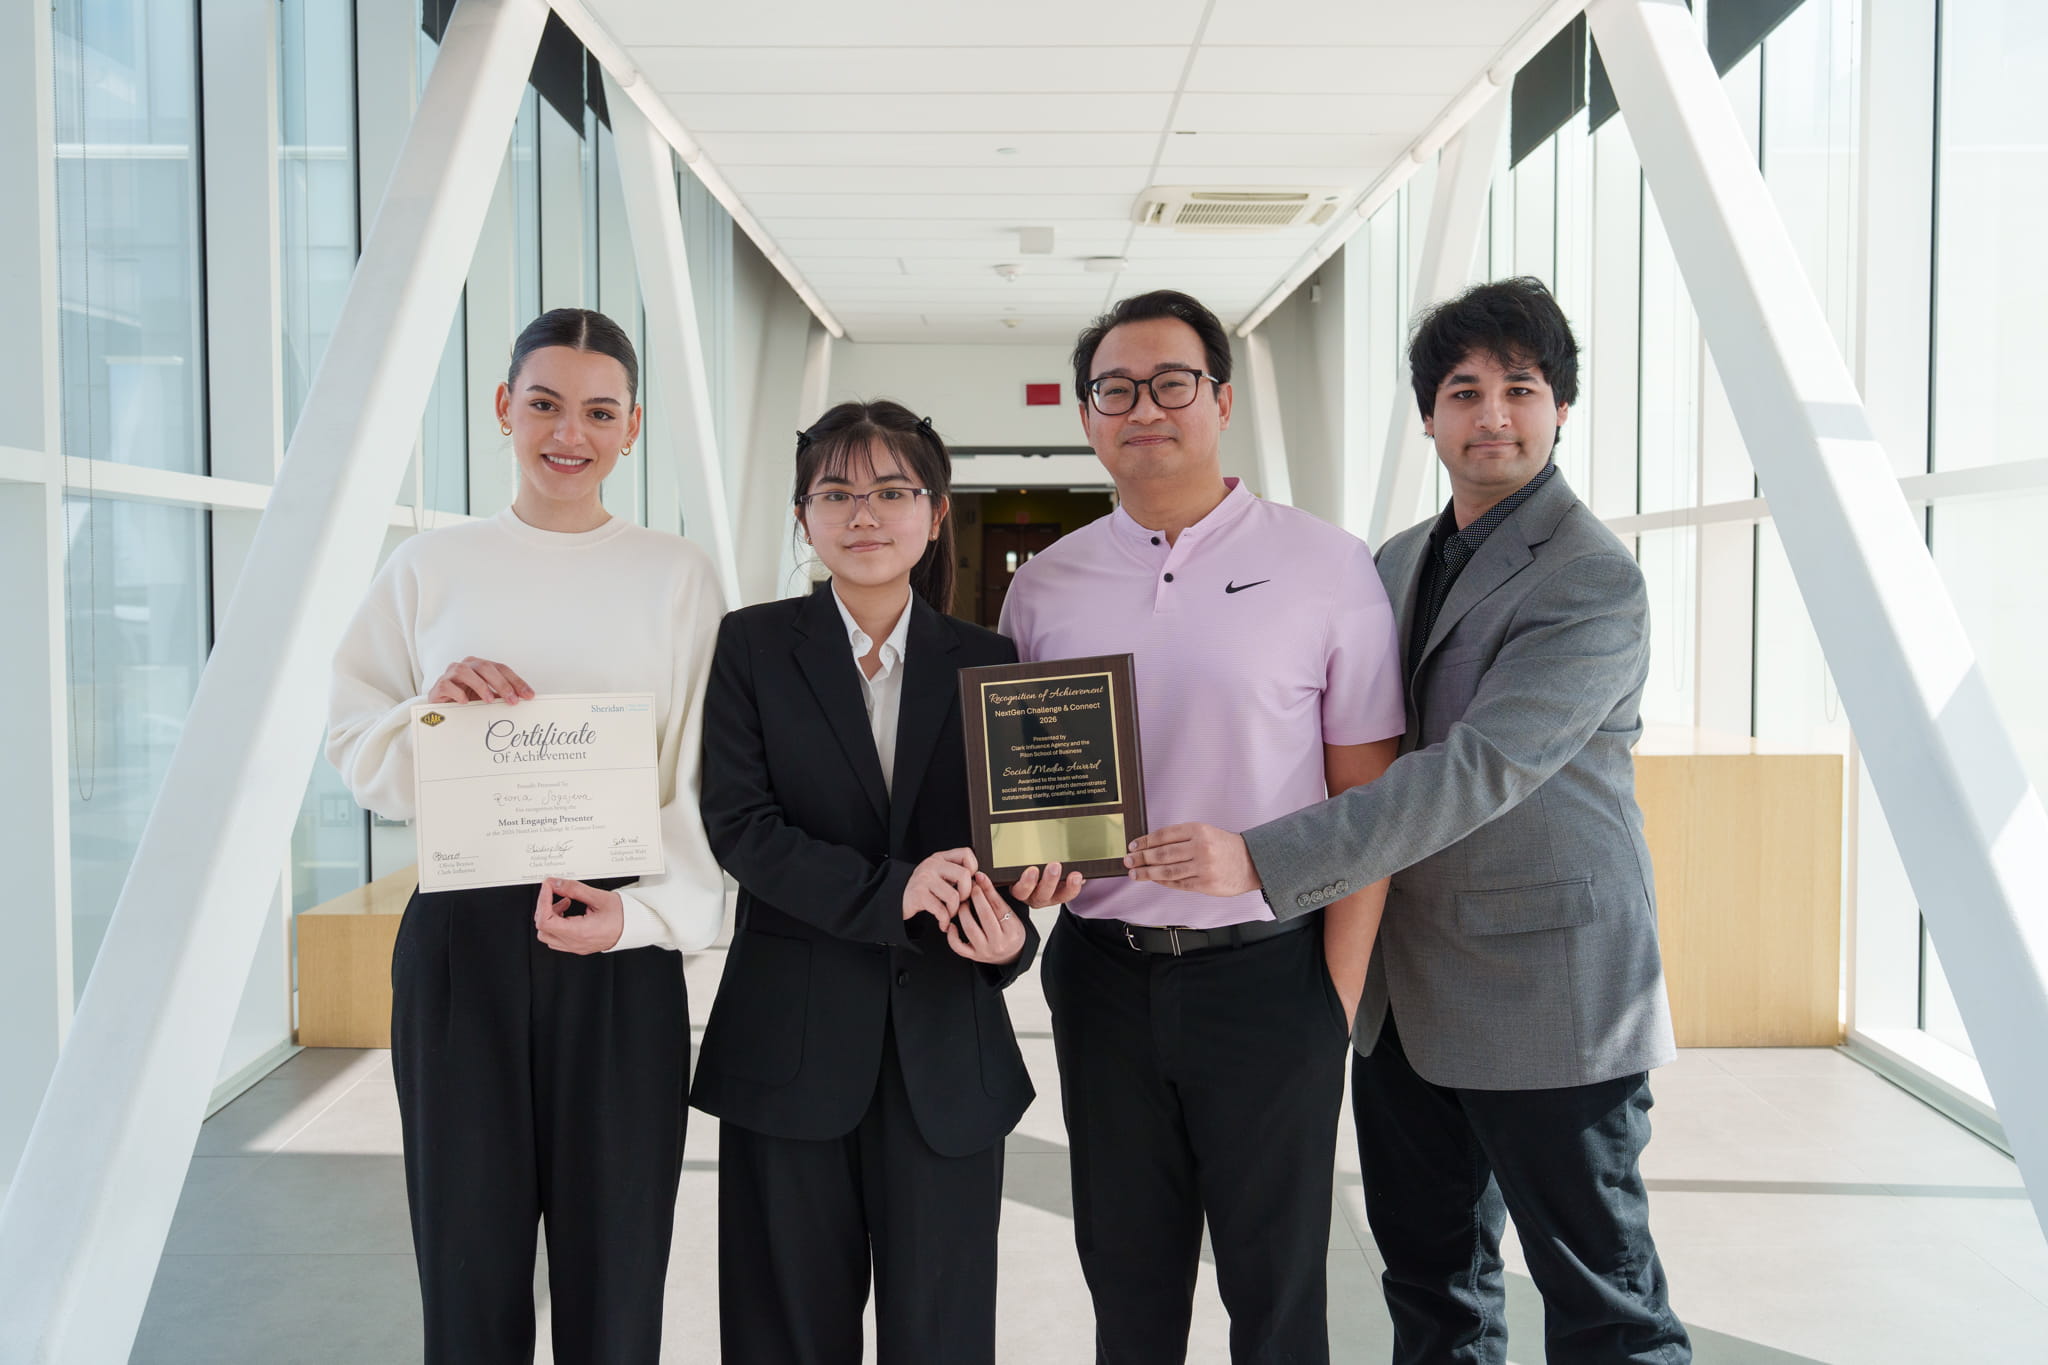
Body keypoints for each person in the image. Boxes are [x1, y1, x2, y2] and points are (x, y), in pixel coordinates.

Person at [1125, 277, 1692, 1364]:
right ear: (1428, 416)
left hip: (1548, 993)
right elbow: (1339, 738)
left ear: (1561, 407)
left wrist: (1260, 859)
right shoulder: (1391, 559)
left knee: (1602, 1303)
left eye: (1519, 389)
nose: (1492, 415)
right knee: (1434, 1290)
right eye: (1463, 391)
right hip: (1402, 997)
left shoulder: (1591, 579)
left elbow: (1476, 770)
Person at [999, 290, 1405, 1364]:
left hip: (1272, 982)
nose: (1144, 408)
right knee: (1127, 1289)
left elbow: (1369, 802)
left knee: (1277, 1300)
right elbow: (1030, 794)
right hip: (1102, 976)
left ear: (1221, 401)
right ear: (1087, 417)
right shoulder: (1044, 587)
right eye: (1114, 389)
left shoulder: (1327, 564)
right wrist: (1035, 872)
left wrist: (1333, 999)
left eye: (1171, 383)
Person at [325, 309, 726, 1363]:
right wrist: (430, 712)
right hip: (464, 939)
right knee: (467, 1270)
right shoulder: (430, 566)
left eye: (598, 411)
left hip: (617, 940)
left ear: (632, 425)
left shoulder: (676, 575)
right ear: (504, 407)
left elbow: (701, 773)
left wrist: (642, 919)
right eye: (544, 404)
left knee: (618, 1272)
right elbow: (352, 741)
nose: (568, 434)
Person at [693, 400, 1038, 1365]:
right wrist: (896, 892)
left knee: (943, 1338)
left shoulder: (991, 660)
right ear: (803, 516)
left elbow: (1010, 852)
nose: (864, 513)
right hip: (788, 1047)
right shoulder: (752, 646)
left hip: (947, 1054)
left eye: (892, 491)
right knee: (786, 1337)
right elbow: (741, 825)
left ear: (935, 512)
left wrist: (1012, 937)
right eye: (836, 492)